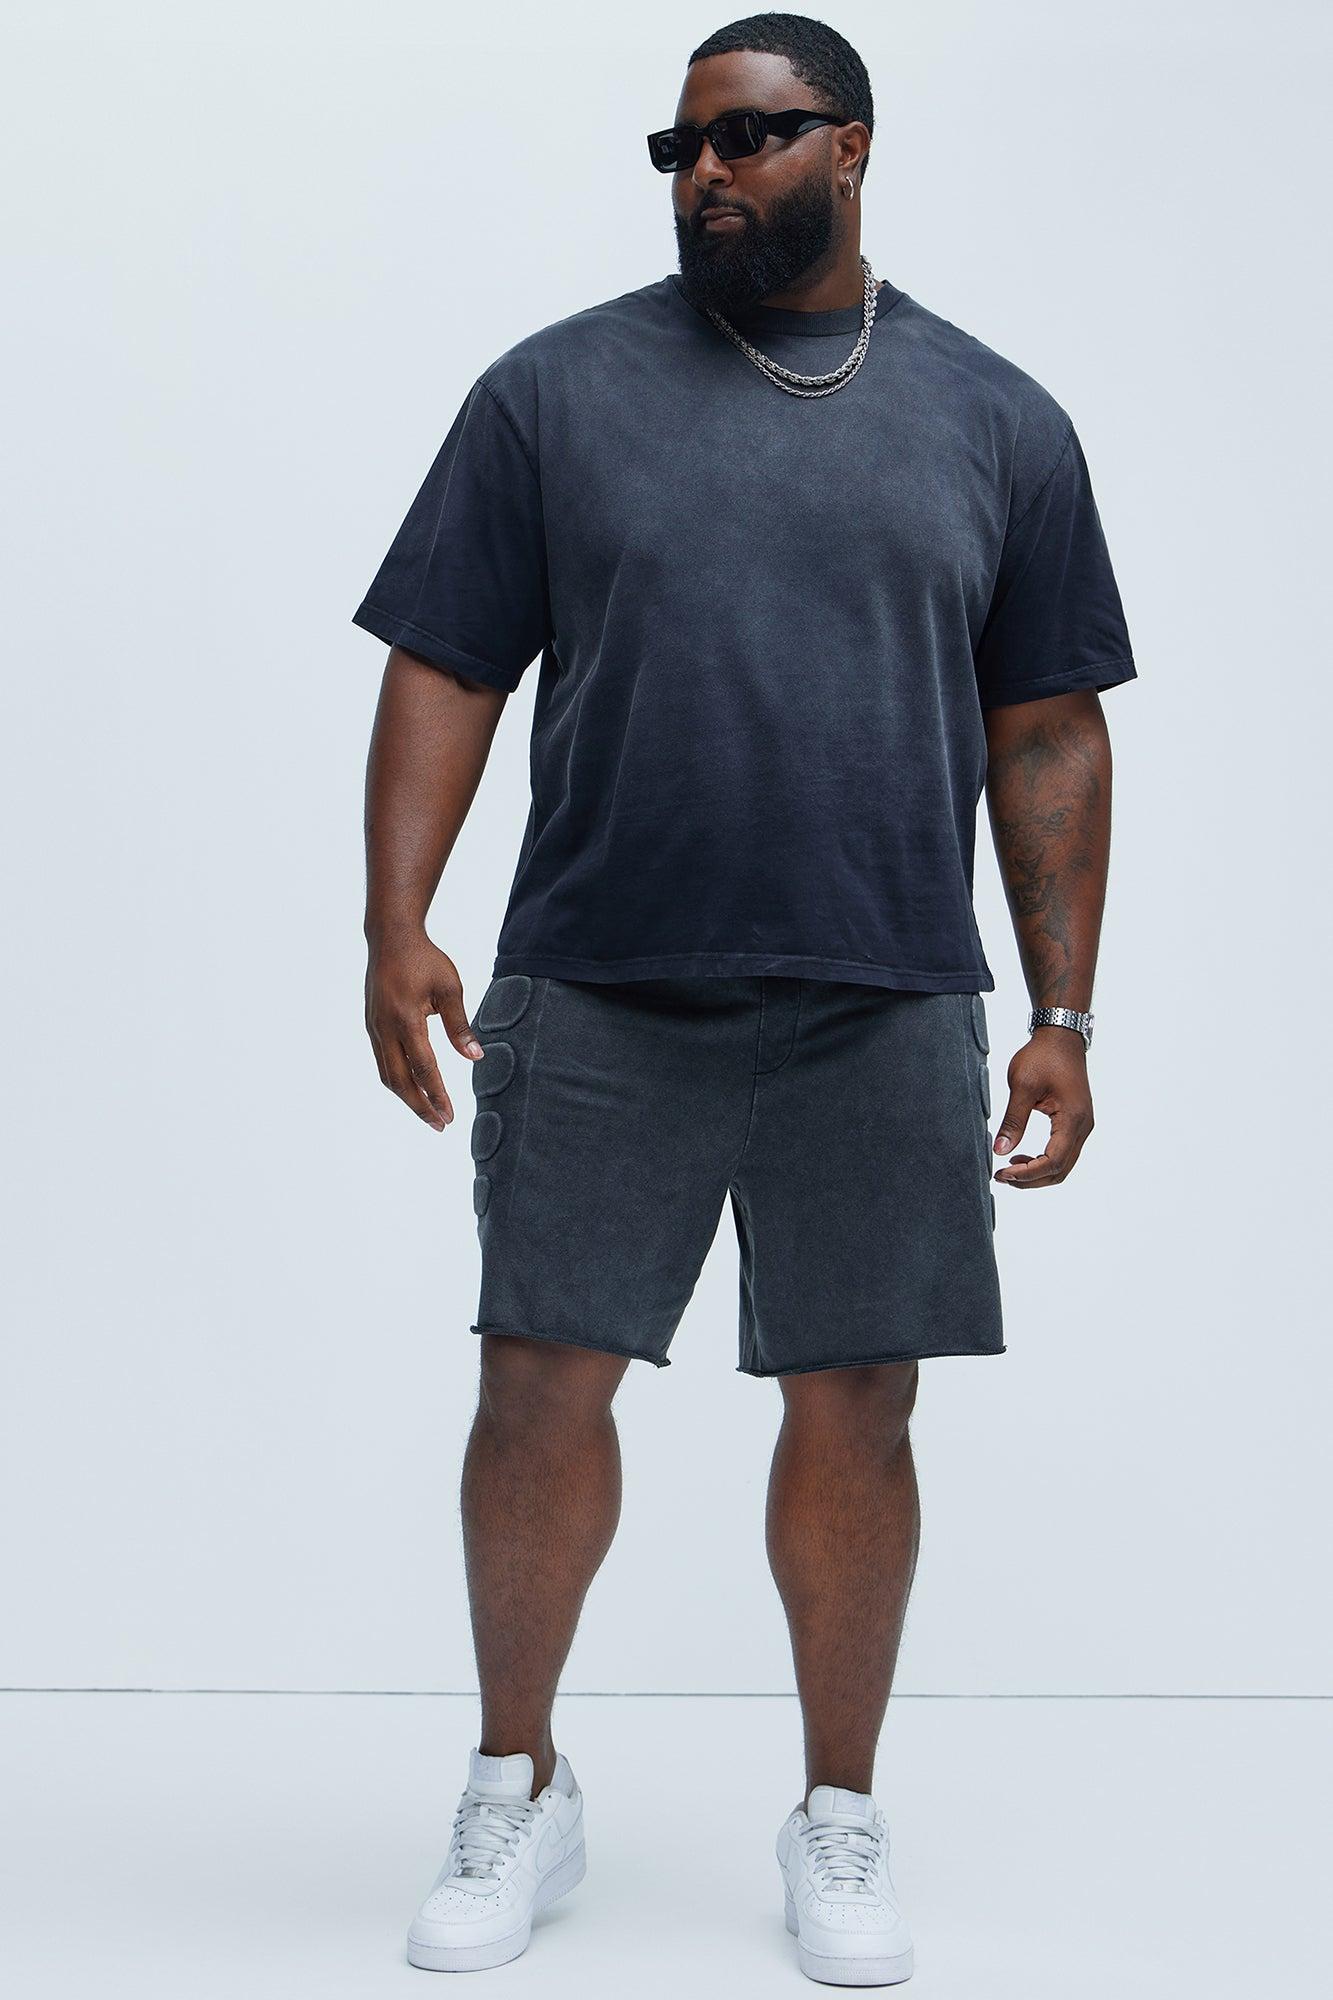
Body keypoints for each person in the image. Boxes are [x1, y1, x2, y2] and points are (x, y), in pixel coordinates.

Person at [352, 11, 1136, 1985]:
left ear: (850, 146)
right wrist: (394, 919)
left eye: (752, 136)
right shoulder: (551, 394)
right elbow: (447, 661)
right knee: (537, 1382)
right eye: (682, 146)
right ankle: (517, 1781)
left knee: (857, 1403)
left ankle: (836, 1811)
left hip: (881, 990)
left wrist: (1063, 1014)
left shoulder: (993, 418)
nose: (708, 171)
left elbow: (1046, 729)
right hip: (599, 977)